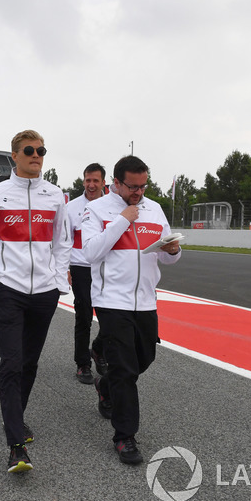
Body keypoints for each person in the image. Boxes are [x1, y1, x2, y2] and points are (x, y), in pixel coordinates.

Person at [0, 129, 71, 473]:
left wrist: (58, 281)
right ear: (14, 155)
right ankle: (16, 446)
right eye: (29, 150)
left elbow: (62, 242)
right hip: (10, 291)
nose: (36, 155)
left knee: (29, 364)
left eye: (41, 150)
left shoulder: (56, 195)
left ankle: (14, 418)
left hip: (44, 293)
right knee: (11, 363)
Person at [81, 155, 181, 464]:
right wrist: (124, 218)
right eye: (132, 186)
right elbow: (90, 253)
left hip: (146, 300)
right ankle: (125, 436)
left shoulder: (155, 209)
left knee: (143, 359)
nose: (138, 192)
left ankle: (104, 386)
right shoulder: (96, 209)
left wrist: (173, 250)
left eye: (143, 186)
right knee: (125, 369)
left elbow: (168, 257)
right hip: (112, 300)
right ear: (116, 182)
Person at [66, 163, 107, 384]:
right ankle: (82, 364)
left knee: (109, 315)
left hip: (106, 268)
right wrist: (66, 268)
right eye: (88, 180)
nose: (91, 185)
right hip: (81, 267)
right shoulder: (72, 208)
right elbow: (65, 241)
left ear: (103, 183)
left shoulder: (114, 205)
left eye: (96, 181)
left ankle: (98, 350)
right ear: (83, 181)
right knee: (83, 316)